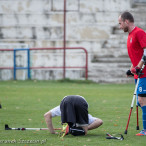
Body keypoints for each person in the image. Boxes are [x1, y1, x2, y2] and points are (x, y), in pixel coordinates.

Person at [118, 11, 146, 136]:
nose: (119, 27)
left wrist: (139, 67)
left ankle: (145, 130)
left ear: (126, 22)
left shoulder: (139, 33)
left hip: (144, 73)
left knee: (142, 100)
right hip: (138, 74)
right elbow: (135, 56)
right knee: (140, 102)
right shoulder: (130, 35)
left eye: (120, 23)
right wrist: (131, 69)